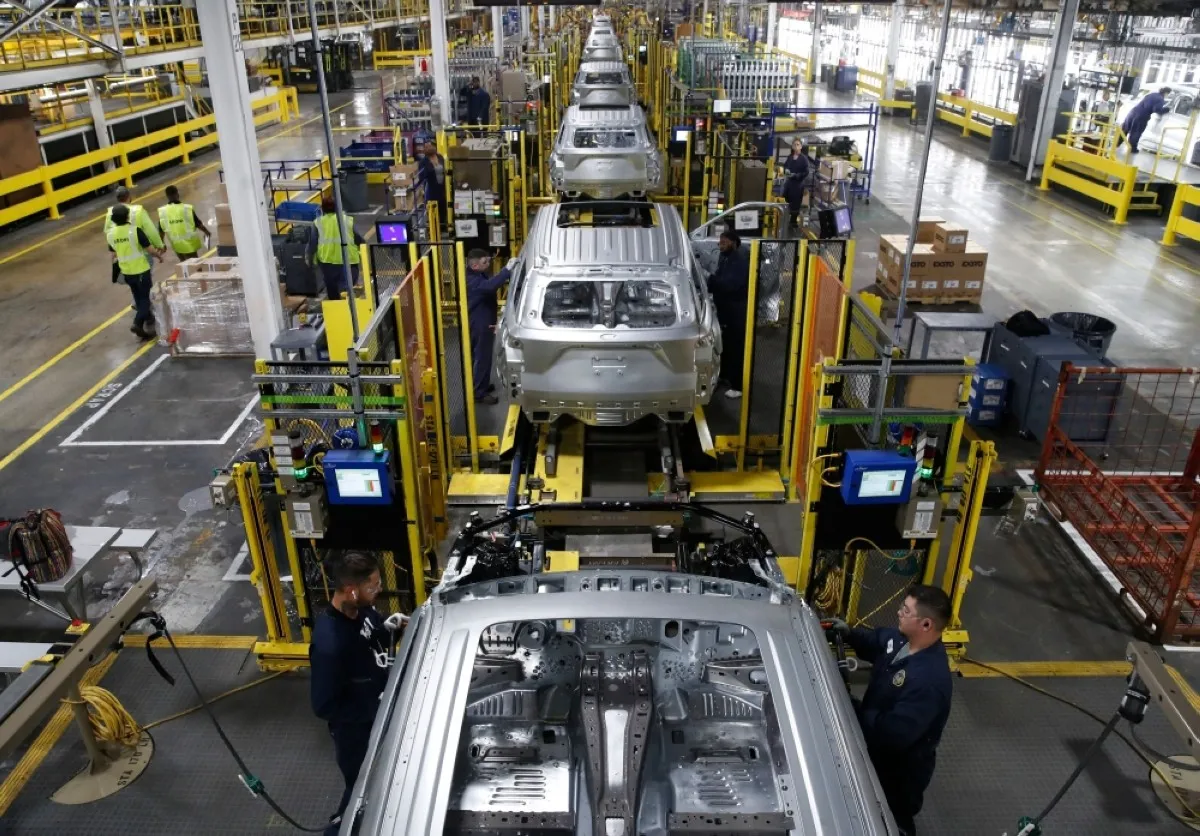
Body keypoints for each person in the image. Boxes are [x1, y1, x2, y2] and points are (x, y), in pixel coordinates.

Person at [829, 584, 953, 836]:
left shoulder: (928, 682)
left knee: (889, 816)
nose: (899, 613)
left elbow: (892, 735)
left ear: (926, 625)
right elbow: (877, 642)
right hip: (873, 744)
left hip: (898, 771)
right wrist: (849, 634)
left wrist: (854, 710)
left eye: (906, 611)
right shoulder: (902, 640)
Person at [309, 552, 406, 836]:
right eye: (372, 586)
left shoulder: (360, 610)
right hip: (357, 735)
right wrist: (372, 711)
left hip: (376, 715)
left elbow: (370, 635)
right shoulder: (330, 645)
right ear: (351, 590)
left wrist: (390, 629)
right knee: (361, 789)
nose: (377, 590)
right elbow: (323, 705)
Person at [107, 203, 165, 341]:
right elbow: (149, 249)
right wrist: (159, 256)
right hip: (141, 270)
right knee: (145, 298)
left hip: (127, 272)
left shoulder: (111, 234)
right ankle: (137, 323)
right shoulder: (135, 230)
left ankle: (146, 319)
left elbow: (113, 253)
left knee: (138, 297)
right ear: (127, 216)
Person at [465, 248, 515, 405]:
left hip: (482, 320)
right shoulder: (472, 281)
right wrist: (506, 271)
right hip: (480, 324)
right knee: (483, 358)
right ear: (474, 266)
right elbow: (490, 286)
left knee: (481, 357)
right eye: (485, 262)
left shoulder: (477, 274)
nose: (488, 264)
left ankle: (482, 385)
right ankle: (479, 393)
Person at [707, 230, 751, 399]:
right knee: (726, 345)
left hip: (736, 310)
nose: (721, 246)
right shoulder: (725, 257)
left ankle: (738, 385)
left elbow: (731, 284)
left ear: (733, 242)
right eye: (720, 243)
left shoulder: (738, 260)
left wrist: (710, 280)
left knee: (736, 347)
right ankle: (726, 376)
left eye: (724, 243)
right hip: (725, 309)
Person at [308, 196, 365, 301]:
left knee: (333, 295)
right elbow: (360, 239)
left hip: (327, 263)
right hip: (349, 261)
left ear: (322, 208)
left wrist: (310, 262)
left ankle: (337, 313)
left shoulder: (318, 222)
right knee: (348, 294)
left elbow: (312, 245)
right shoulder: (347, 220)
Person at [157, 185, 211, 261]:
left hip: (177, 246)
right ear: (177, 194)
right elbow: (198, 224)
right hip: (189, 245)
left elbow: (161, 230)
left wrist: (162, 244)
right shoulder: (186, 209)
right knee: (195, 266)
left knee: (184, 267)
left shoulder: (163, 211)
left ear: (167, 196)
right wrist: (206, 232)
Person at [104, 185, 163, 252]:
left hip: (122, 253)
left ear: (117, 199)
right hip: (140, 250)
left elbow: (108, 233)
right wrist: (159, 244)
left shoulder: (110, 212)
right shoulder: (138, 210)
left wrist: (115, 250)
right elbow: (151, 230)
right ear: (129, 196)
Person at [1122, 86, 1171, 153]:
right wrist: (1167, 109)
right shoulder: (1161, 99)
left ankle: (1115, 144)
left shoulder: (1152, 94)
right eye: (1168, 94)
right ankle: (1132, 149)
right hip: (1142, 116)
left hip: (1133, 112)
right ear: (1166, 93)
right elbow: (1156, 109)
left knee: (1124, 129)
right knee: (1136, 132)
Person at [782, 138, 811, 230]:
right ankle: (784, 218)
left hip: (797, 184)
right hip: (789, 183)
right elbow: (785, 165)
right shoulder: (790, 157)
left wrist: (796, 175)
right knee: (785, 200)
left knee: (795, 203)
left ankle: (793, 222)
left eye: (798, 144)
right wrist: (786, 170)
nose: (796, 146)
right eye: (794, 144)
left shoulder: (804, 159)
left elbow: (806, 172)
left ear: (801, 146)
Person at [415, 140, 447, 214]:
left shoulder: (440, 157)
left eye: (430, 146)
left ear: (434, 147)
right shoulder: (423, 162)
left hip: (443, 188)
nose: (428, 148)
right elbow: (421, 177)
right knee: (433, 212)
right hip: (432, 190)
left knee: (444, 211)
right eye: (426, 147)